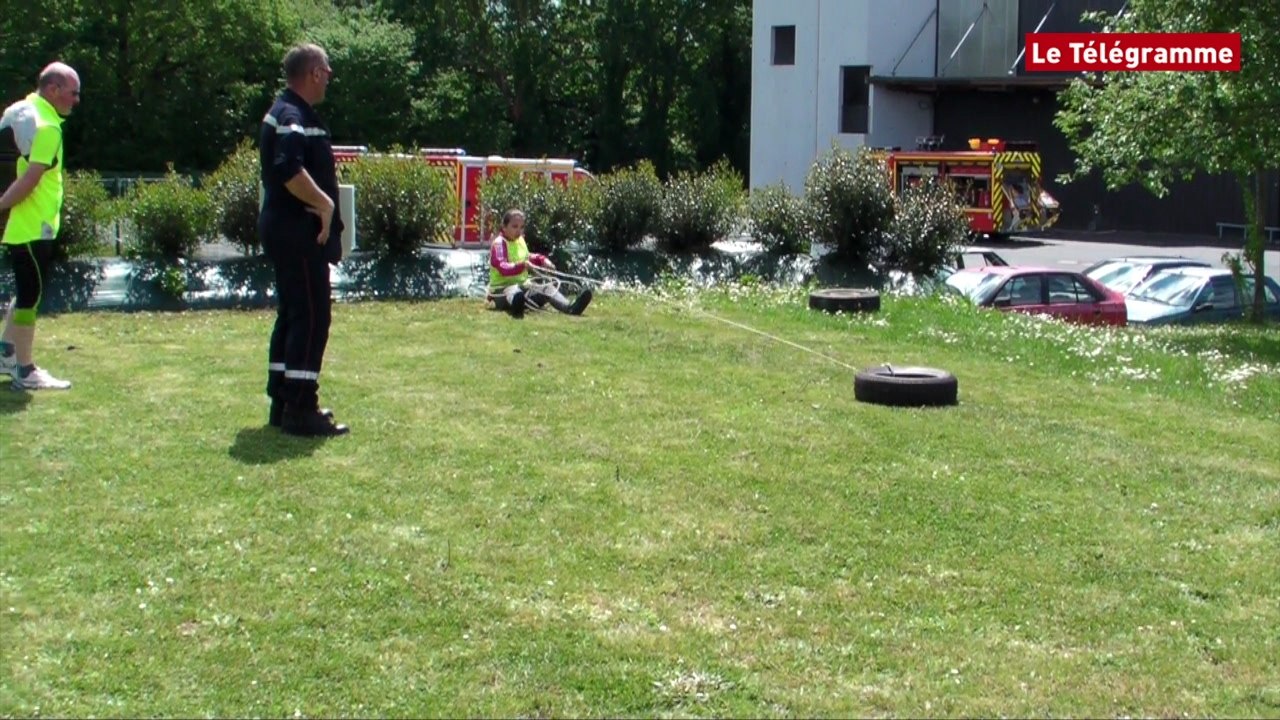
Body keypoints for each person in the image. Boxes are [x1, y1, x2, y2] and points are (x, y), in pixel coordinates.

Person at [258, 43, 348, 437]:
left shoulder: (283, 112)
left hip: (283, 229)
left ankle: (282, 400)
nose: (329, 76)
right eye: (326, 70)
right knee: (312, 316)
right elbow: (289, 169)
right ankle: (300, 406)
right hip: (297, 231)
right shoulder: (293, 116)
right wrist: (325, 204)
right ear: (313, 72)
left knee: (293, 313)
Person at [0, 62, 81, 390]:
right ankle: (25, 368)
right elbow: (31, 180)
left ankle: (6, 351)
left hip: (21, 225)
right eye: (72, 93)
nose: (76, 100)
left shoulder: (19, 110)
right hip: (33, 226)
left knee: (24, 291)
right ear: (53, 90)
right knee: (30, 296)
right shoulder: (48, 126)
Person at [486, 209, 592, 319]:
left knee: (547, 288)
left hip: (523, 286)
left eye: (521, 227)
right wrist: (521, 266)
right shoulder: (499, 244)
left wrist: (542, 260)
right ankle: (517, 307)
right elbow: (502, 266)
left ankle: (570, 307)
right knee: (513, 291)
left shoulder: (520, 240)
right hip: (502, 290)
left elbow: (527, 256)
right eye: (514, 226)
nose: (519, 231)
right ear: (504, 227)